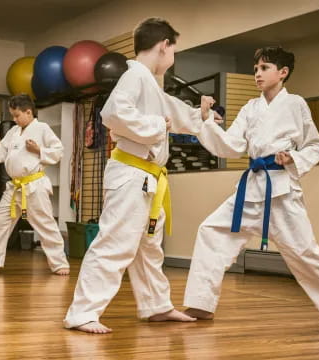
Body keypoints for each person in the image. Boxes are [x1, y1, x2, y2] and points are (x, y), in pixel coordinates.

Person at [63, 17, 223, 334]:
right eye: (174, 50)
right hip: (131, 173)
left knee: (148, 247)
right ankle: (81, 313)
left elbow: (171, 110)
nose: (173, 57)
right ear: (164, 45)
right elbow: (113, 115)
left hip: (148, 177)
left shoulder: (148, 82)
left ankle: (156, 306)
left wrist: (200, 116)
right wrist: (156, 128)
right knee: (115, 244)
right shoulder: (133, 75)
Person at [183, 46, 319, 326]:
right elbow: (231, 145)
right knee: (211, 230)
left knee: (304, 252)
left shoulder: (296, 104)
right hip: (251, 189)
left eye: (264, 68)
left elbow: (315, 145)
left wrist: (293, 158)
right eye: (255, 69)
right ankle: (200, 304)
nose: (257, 74)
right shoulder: (250, 108)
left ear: (283, 72)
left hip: (281, 192)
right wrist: (206, 120)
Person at [0, 94, 69, 275]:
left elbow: (58, 151)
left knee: (45, 224)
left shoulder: (42, 128)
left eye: (16, 115)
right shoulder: (13, 132)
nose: (14, 119)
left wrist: (38, 150)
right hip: (14, 187)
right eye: (12, 116)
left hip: (34, 185)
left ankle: (60, 263)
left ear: (28, 112)